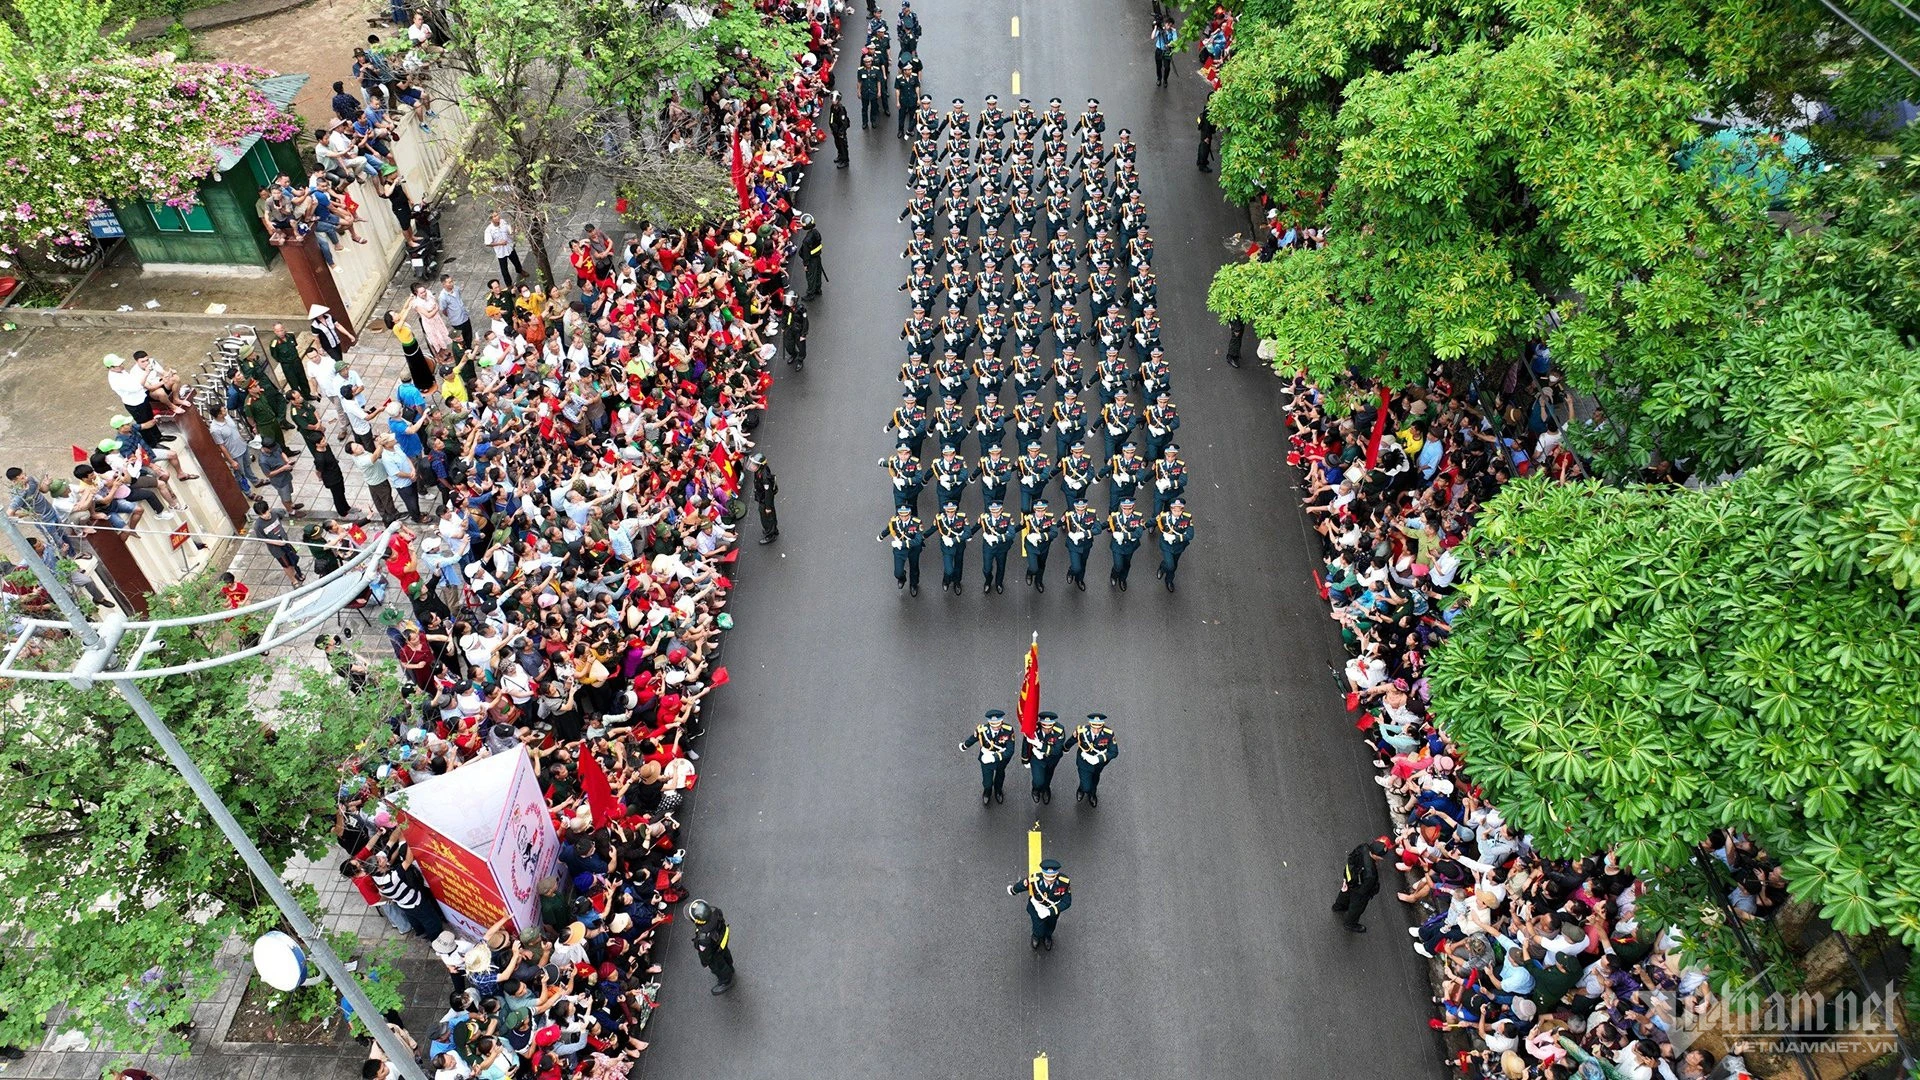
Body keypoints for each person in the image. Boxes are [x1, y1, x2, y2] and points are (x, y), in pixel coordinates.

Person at [1007, 859, 1071, 950]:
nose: (1049, 881)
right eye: (1047, 878)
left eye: (1052, 878)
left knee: (1051, 925)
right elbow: (1023, 885)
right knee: (1038, 926)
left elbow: (1067, 901)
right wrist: (1013, 890)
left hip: (1053, 909)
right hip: (1037, 908)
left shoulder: (1064, 882)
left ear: (1056, 875)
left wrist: (1050, 911)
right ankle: (1036, 936)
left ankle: (1048, 937)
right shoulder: (1035, 879)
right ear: (1043, 874)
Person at [960, 710, 1017, 805]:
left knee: (1000, 776)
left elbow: (1010, 751)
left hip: (1001, 759)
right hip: (986, 758)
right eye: (993, 725)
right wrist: (964, 746)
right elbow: (973, 738)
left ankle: (998, 791)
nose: (995, 727)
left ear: (1001, 722)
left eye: (998, 725)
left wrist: (995, 757)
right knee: (987, 781)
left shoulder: (1008, 730)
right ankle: (987, 791)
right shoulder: (982, 730)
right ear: (989, 723)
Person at [1332, 838, 1386, 933]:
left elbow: (1351, 858)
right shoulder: (1370, 874)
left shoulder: (1363, 847)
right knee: (1357, 907)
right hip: (1359, 889)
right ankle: (1350, 924)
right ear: (1377, 856)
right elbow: (1364, 890)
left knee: (1345, 892)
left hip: (1350, 876)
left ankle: (1339, 906)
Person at [1067, 713, 1118, 806]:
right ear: (1090, 724)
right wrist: (1065, 748)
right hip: (1084, 762)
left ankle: (1092, 794)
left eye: (1099, 728)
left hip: (1098, 764)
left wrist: (1098, 759)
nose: (1096, 730)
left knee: (1095, 778)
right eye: (1094, 727)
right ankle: (1082, 789)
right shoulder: (1081, 731)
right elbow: (1072, 740)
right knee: (1086, 785)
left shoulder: (1109, 734)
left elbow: (1114, 752)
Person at [688, 899, 734, 994]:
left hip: (714, 953)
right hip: (722, 942)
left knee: (718, 967)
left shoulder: (703, 938)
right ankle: (730, 968)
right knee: (726, 955)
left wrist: (705, 962)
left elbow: (705, 954)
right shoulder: (715, 911)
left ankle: (726, 981)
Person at [879, 503, 924, 595]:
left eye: (906, 515)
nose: (903, 518)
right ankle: (902, 577)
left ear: (910, 514)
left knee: (914, 567)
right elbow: (889, 529)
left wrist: (902, 543)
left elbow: (918, 540)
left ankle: (913, 584)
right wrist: (881, 536)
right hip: (900, 550)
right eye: (901, 515)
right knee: (897, 572)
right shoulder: (894, 521)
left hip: (913, 548)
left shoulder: (917, 522)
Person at [1155, 496, 1195, 591]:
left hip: (1179, 546)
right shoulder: (1164, 516)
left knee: (1174, 564)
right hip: (1166, 546)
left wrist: (1175, 538)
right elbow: (1154, 520)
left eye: (1179, 510)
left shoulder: (1187, 518)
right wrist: (1142, 526)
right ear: (1171, 509)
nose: (1177, 513)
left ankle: (1169, 579)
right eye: (1175, 510)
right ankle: (1164, 569)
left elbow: (1190, 535)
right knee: (1170, 565)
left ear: (1182, 509)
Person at [1026, 711, 1067, 803]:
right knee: (1038, 780)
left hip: (1052, 758)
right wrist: (1025, 760)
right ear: (1041, 724)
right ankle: (1036, 789)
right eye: (1044, 727)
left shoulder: (1059, 730)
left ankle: (1046, 789)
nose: (1047, 730)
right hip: (1037, 758)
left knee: (1048, 775)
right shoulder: (1033, 729)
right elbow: (1026, 744)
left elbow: (1056, 750)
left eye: (1050, 727)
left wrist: (1040, 746)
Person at [484, 211, 524, 286]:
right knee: (504, 269)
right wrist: (499, 243)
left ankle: (520, 270)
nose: (497, 217)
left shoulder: (503, 222)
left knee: (516, 260)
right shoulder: (489, 230)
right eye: (494, 216)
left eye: (497, 215)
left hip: (509, 247)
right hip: (501, 252)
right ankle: (509, 284)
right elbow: (488, 243)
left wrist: (514, 231)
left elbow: (509, 230)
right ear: (491, 219)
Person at [750, 453, 779, 544]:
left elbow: (768, 493)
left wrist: (768, 507)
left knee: (766, 518)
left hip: (765, 500)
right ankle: (774, 530)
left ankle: (770, 535)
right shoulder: (759, 471)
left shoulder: (764, 477)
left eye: (754, 464)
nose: (752, 466)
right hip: (762, 497)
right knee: (771, 516)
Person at [797, 214, 826, 299]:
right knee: (818, 273)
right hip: (817, 257)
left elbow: (806, 254)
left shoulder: (806, 241)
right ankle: (818, 289)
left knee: (811, 277)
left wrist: (805, 264)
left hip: (811, 261)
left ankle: (810, 294)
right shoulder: (816, 232)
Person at [1152, 17, 1177, 86]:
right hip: (1159, 50)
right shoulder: (1161, 30)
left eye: (1170, 25)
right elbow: (1152, 37)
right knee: (1158, 66)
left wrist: (1168, 45)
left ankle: (1165, 79)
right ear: (1165, 24)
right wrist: (1155, 28)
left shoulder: (1172, 32)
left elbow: (1175, 42)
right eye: (1168, 25)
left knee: (1167, 67)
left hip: (1167, 51)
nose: (1169, 27)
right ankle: (1159, 78)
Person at [829, 92, 852, 167]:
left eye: (834, 99)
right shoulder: (832, 107)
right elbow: (831, 118)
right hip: (835, 131)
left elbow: (844, 122)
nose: (833, 100)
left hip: (840, 131)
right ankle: (840, 156)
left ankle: (845, 160)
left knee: (843, 145)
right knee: (838, 144)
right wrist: (832, 127)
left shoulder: (841, 109)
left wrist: (841, 133)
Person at [1197, 106, 1217, 173]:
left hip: (1204, 132)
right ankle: (1202, 165)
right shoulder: (1209, 111)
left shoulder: (1207, 108)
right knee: (1205, 149)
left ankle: (1200, 161)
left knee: (1202, 146)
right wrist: (1207, 137)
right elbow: (1207, 126)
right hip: (1206, 133)